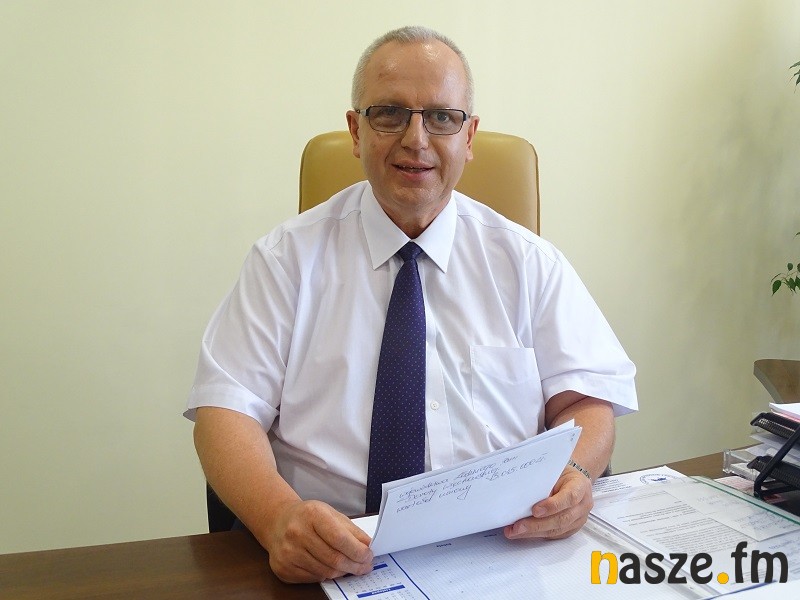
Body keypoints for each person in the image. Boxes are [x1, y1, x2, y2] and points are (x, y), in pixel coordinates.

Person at [186, 25, 637, 584]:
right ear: (356, 131)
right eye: (389, 114)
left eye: (442, 117)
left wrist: (575, 475)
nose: (416, 139)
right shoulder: (284, 261)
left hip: (503, 550)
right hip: (332, 552)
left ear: (469, 137)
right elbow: (224, 412)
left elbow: (586, 401)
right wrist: (279, 518)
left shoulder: (528, 262)